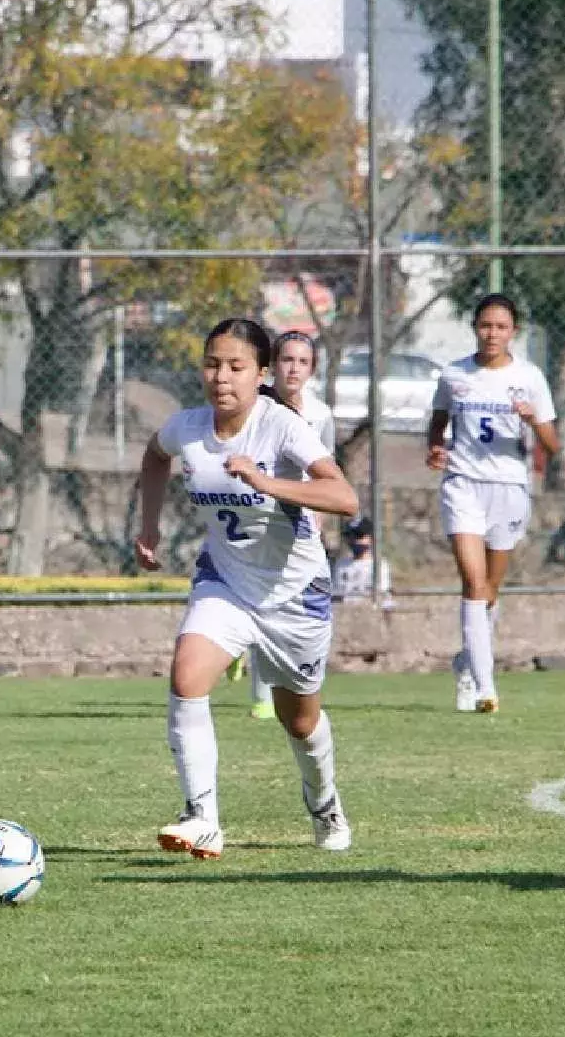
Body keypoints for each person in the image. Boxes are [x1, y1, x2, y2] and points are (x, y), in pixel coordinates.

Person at [135, 317, 361, 859]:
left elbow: (344, 496)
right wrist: (148, 527)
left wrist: (267, 481)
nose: (222, 377)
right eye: (213, 364)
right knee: (187, 676)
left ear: (260, 372)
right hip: (225, 581)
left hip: (294, 594)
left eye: (236, 367)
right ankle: (202, 817)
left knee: (299, 720)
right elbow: (153, 455)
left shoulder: (281, 427)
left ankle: (325, 803)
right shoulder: (187, 427)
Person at [424, 294, 558, 714]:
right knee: (472, 581)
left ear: (513, 331)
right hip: (463, 484)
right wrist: (434, 448)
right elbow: (438, 422)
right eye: (486, 325)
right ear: (475, 328)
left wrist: (531, 418)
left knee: (491, 590)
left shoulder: (530, 378)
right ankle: (482, 686)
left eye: (501, 327)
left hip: (509, 489)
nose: (492, 334)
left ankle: (466, 660)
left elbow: (553, 446)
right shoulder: (454, 374)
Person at [237, 330, 340, 720]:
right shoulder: (254, 405)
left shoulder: (320, 415)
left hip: (300, 522)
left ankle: (303, 683)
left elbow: (327, 475)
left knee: (301, 605)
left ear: (312, 369)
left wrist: (320, 517)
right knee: (263, 601)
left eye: (302, 361)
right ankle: (262, 696)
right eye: (287, 359)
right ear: (272, 365)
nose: (293, 368)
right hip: (257, 516)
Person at [332, 517, 392, 609]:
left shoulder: (378, 565)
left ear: (370, 538)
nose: (354, 540)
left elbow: (383, 597)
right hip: (345, 614)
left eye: (359, 536)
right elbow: (336, 596)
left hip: (369, 613)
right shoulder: (341, 565)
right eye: (350, 536)